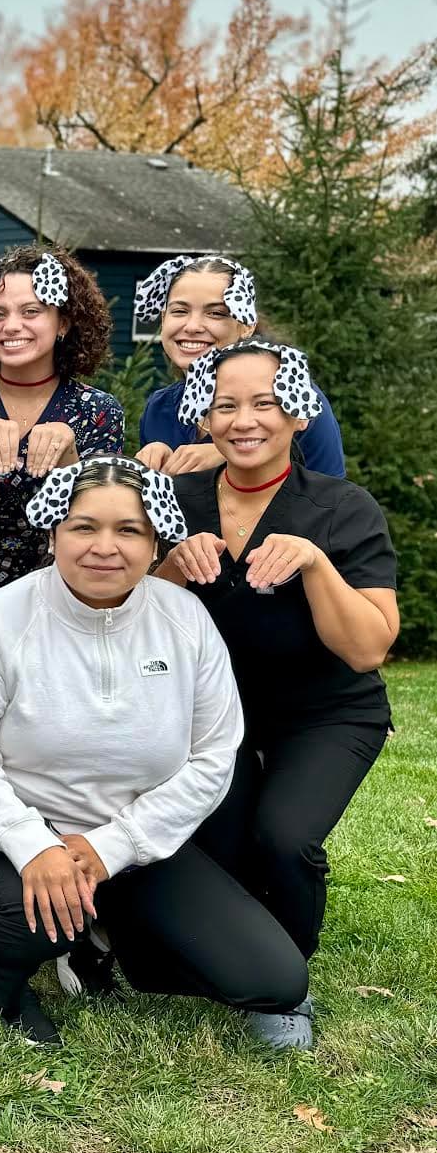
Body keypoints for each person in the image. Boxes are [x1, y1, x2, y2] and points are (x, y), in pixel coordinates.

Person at [0, 456, 306, 1047]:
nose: (105, 547)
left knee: (274, 981)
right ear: (53, 532)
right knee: (38, 923)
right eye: (84, 526)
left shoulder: (186, 619)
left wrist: (113, 847)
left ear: (156, 541)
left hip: (133, 840)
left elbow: (215, 756)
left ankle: (94, 940)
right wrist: (35, 847)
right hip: (12, 831)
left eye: (128, 530)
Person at [158, 339, 398, 1048]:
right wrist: (166, 570)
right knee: (218, 843)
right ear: (201, 417)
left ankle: (282, 986)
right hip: (214, 716)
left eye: (263, 402)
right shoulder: (175, 502)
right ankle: (204, 950)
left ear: (297, 414)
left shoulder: (341, 508)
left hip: (325, 711)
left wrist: (317, 566)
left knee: (283, 839)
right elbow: (115, 610)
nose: (243, 419)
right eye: (225, 404)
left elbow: (366, 647)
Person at [0, 245, 122, 659]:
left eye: (31, 311)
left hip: (63, 605)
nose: (11, 326)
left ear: (64, 322)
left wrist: (69, 457)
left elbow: (99, 523)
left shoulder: (98, 410)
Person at [132, 255, 344, 477]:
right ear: (164, 318)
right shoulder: (160, 410)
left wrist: (230, 454)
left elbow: (330, 500)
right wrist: (157, 462)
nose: (192, 326)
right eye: (180, 311)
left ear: (246, 326)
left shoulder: (293, 397)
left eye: (215, 313)